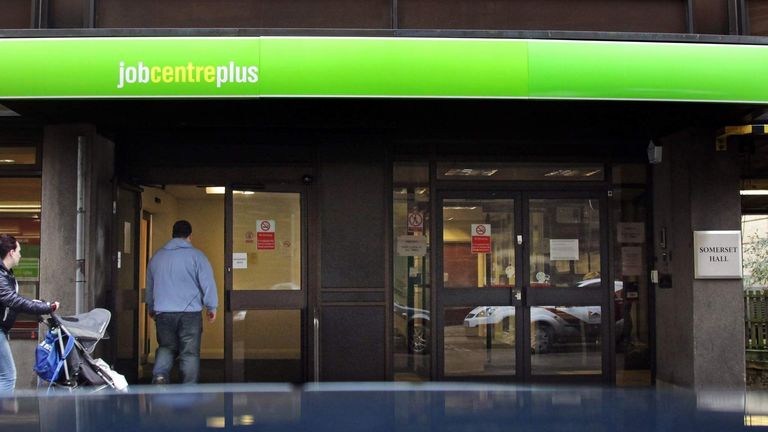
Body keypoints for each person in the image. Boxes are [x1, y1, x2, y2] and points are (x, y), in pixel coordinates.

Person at [146, 220, 218, 384]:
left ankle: (160, 376)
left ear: (172, 235)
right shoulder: (197, 256)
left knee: (166, 347)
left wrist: (151, 306)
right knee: (189, 352)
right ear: (190, 236)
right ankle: (188, 386)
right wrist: (211, 307)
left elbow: (150, 285)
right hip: (190, 314)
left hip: (163, 312)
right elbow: (207, 283)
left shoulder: (157, 257)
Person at [0, 234, 59, 392]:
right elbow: (14, 301)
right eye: (19, 250)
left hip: (2, 330)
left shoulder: (5, 274)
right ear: (11, 252)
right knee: (8, 376)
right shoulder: (1, 276)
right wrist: (47, 307)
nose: (21, 254)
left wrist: (36, 306)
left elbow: (12, 302)